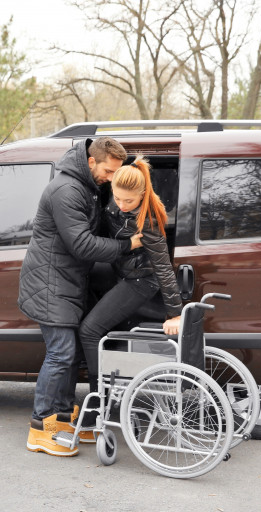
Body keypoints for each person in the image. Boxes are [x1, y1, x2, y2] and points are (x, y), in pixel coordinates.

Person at [18, 136, 142, 457]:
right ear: (91, 162)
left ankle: (61, 418)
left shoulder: (87, 186)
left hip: (67, 281)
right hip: (50, 283)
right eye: (109, 171)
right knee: (60, 353)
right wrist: (129, 245)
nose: (112, 178)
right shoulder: (67, 190)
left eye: (117, 172)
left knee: (69, 355)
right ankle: (40, 426)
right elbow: (83, 245)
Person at [77, 156, 183, 425]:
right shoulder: (116, 197)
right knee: (83, 281)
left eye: (129, 202)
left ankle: (100, 405)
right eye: (118, 199)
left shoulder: (148, 222)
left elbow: (163, 268)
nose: (122, 206)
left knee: (89, 331)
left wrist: (175, 314)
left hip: (141, 281)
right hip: (121, 270)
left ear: (142, 195)